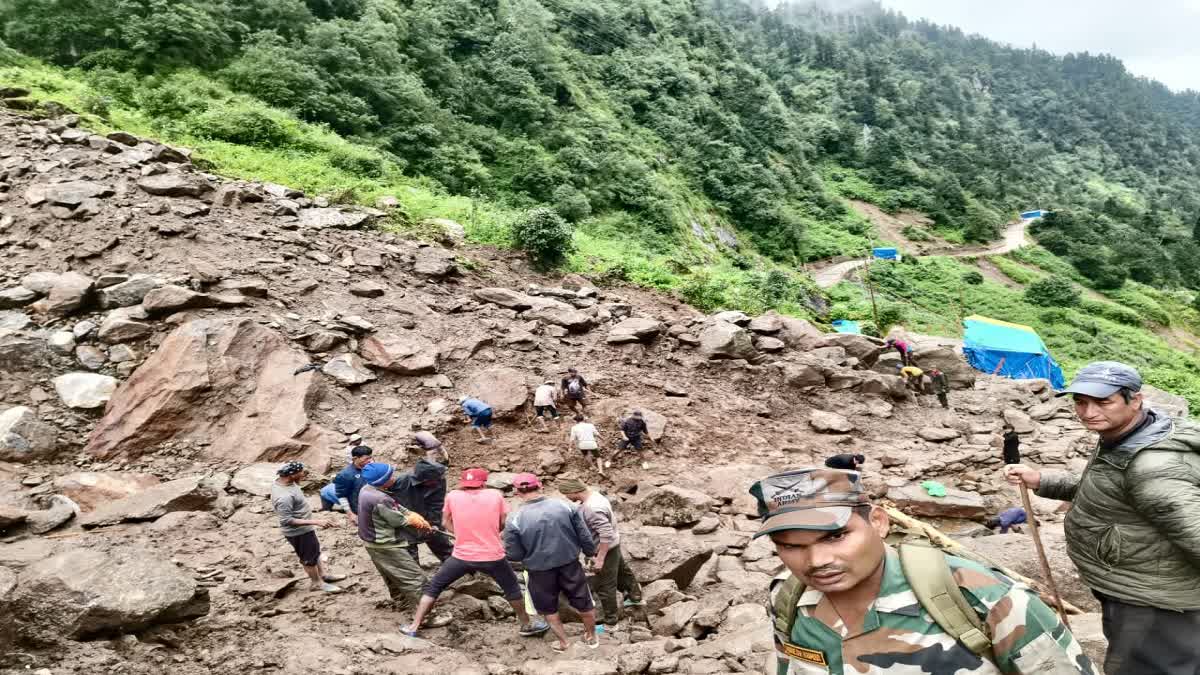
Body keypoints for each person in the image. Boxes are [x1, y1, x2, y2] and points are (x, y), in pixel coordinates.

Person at [751, 467, 1094, 675]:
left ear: (879, 522)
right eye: (791, 546)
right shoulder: (787, 595)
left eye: (836, 536)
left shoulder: (984, 598)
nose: (815, 561)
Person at [1005, 361, 1200, 675]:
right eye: (1081, 402)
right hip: (1134, 585)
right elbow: (1106, 489)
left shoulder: (1152, 469)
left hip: (1152, 601)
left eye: (1103, 402)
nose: (1088, 412)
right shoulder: (1129, 435)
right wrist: (1042, 480)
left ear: (1134, 400)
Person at [404, 468, 549, 638]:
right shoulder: (495, 495)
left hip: (461, 556)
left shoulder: (452, 496)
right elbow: (503, 521)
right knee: (512, 589)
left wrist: (459, 534)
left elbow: (444, 522)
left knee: (433, 588)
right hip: (493, 555)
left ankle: (414, 626)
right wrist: (493, 532)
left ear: (463, 483)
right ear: (484, 482)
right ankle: (526, 624)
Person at [504, 473, 599, 652]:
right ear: (540, 486)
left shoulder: (514, 518)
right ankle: (591, 637)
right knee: (584, 601)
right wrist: (590, 553)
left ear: (517, 492)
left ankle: (564, 643)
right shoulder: (566, 506)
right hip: (570, 564)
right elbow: (584, 535)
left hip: (538, 571)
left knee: (548, 608)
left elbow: (514, 554)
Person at [356, 462, 450, 627]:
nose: (394, 477)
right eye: (390, 476)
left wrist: (413, 514)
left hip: (373, 543)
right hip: (387, 543)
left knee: (391, 574)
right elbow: (397, 519)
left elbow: (398, 507)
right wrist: (414, 521)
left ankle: (402, 602)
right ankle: (428, 617)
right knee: (416, 579)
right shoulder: (380, 498)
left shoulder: (368, 489)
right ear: (382, 481)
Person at [559, 477, 642, 635]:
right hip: (614, 544)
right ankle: (635, 596)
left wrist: (600, 558)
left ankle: (611, 623)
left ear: (574, 491)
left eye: (566, 494)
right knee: (622, 571)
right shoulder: (596, 496)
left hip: (605, 548)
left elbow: (605, 534)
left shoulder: (592, 508)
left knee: (605, 587)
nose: (566, 497)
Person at [271, 461, 346, 593]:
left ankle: (322, 575)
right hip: (298, 532)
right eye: (301, 472)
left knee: (314, 551)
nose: (304, 474)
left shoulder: (287, 482)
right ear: (291, 475)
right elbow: (286, 520)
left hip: (305, 528)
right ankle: (316, 583)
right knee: (308, 559)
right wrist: (316, 521)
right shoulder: (284, 497)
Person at [387, 457, 454, 563]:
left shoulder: (439, 479)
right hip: (407, 522)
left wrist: (434, 523)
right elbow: (391, 505)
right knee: (410, 554)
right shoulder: (401, 483)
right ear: (424, 480)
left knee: (442, 544)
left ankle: (460, 568)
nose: (441, 479)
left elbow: (437, 503)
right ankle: (415, 576)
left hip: (429, 518)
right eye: (435, 479)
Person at [319, 445, 373, 523]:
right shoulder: (345, 474)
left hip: (362, 499)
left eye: (370, 457)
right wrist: (350, 514)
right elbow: (341, 496)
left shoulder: (370, 467)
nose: (370, 460)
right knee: (326, 509)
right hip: (330, 494)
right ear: (355, 459)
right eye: (366, 459)